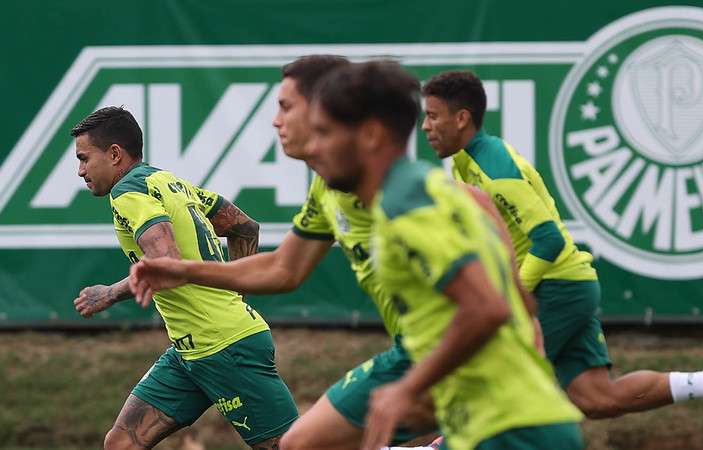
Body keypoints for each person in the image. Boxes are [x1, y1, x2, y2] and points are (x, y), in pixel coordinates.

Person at [419, 70, 703, 424]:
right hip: (569, 285)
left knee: (493, 385)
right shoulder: (466, 163)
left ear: (461, 118)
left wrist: (511, 296)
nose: (424, 127)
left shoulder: (494, 169)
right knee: (598, 397)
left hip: (555, 290)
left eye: (432, 116)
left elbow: (549, 239)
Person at [128, 55, 436, 449]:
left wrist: (418, 381)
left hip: (451, 361)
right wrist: (186, 271)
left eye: (286, 106)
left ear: (327, 106)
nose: (276, 121)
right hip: (414, 354)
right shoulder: (329, 189)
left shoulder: (414, 196)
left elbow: (491, 308)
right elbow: (283, 268)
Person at [306, 60, 584, 450]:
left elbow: (488, 308)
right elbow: (518, 301)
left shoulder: (406, 206)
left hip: (512, 431)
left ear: (369, 135)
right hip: (500, 423)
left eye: (323, 132)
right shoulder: (443, 189)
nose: (313, 147)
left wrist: (407, 388)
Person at [71, 106, 298, 450]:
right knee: (121, 444)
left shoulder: (128, 193)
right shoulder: (167, 181)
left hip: (225, 347)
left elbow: (167, 264)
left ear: (114, 154)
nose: (80, 170)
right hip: (189, 350)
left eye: (84, 158)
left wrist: (111, 292)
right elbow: (245, 228)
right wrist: (233, 294)